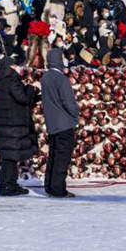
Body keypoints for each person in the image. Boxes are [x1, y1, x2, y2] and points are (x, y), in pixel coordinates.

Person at [0, 57, 38, 197]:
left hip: (6, 124)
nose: (18, 68)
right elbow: (22, 98)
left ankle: (9, 184)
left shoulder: (3, 81)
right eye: (15, 65)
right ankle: (7, 186)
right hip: (13, 124)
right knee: (11, 158)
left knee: (9, 157)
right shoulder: (11, 81)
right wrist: (31, 87)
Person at [41, 48, 80, 198]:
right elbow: (68, 102)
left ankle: (50, 186)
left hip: (52, 123)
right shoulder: (61, 79)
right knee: (62, 158)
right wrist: (75, 115)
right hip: (64, 123)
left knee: (53, 155)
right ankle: (58, 189)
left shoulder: (45, 78)